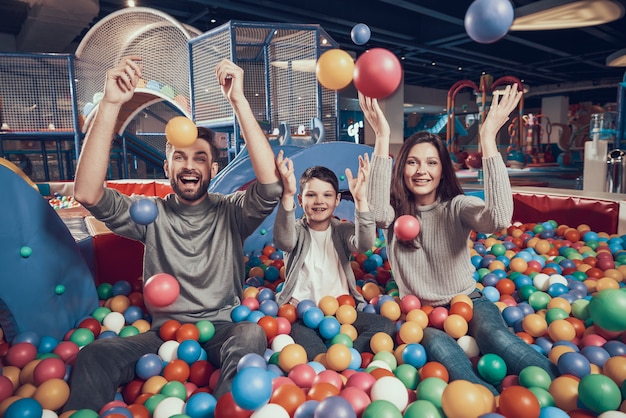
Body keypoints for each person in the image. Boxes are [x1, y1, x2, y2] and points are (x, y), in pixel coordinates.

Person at [64, 56, 282, 411]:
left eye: (199, 158)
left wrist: (239, 101)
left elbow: (271, 185)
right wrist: (110, 104)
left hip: (222, 328)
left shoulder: (232, 212)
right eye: (180, 157)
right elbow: (88, 193)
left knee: (251, 333)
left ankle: (230, 408)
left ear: (213, 168)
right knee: (94, 354)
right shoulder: (152, 214)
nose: (190, 166)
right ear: (167, 167)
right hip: (163, 332)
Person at [361, 85, 559, 394]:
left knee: (497, 338)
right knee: (450, 361)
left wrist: (488, 139)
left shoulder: (457, 206)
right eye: (412, 162)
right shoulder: (395, 213)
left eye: (431, 162)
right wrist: (382, 139)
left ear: (442, 170)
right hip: (421, 314)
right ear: (402, 169)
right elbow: (375, 212)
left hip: (468, 301)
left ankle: (562, 388)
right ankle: (486, 404)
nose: (421, 170)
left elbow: (499, 218)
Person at [273, 150, 395, 360]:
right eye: (311, 195)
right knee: (315, 352)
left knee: (385, 324)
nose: (319, 201)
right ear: (301, 200)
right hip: (302, 314)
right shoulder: (296, 231)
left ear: (337, 200)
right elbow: (284, 240)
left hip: (342, 312)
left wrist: (361, 201)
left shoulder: (342, 230)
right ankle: (332, 360)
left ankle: (346, 358)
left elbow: (365, 243)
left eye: (327, 195)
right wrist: (286, 196)